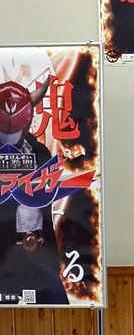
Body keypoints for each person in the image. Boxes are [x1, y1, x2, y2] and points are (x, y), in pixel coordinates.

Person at [0, 78, 68, 304]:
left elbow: (45, 204)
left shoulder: (39, 153)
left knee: (52, 294)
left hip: (32, 254)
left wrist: (34, 235)